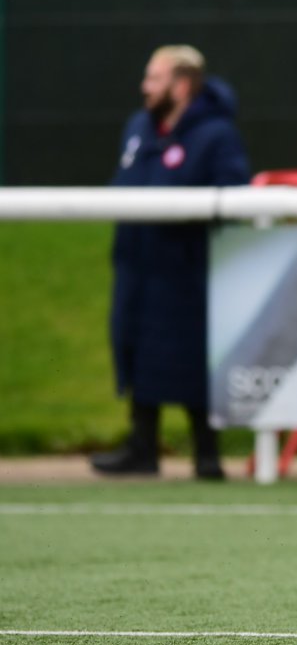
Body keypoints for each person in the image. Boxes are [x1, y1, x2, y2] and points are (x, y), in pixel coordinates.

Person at [92, 44, 251, 480]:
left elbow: (234, 196)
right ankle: (142, 447)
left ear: (181, 86)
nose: (145, 87)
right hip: (136, 263)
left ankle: (207, 454)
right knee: (136, 347)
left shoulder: (216, 134)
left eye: (154, 78)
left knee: (191, 356)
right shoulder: (138, 127)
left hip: (188, 270)